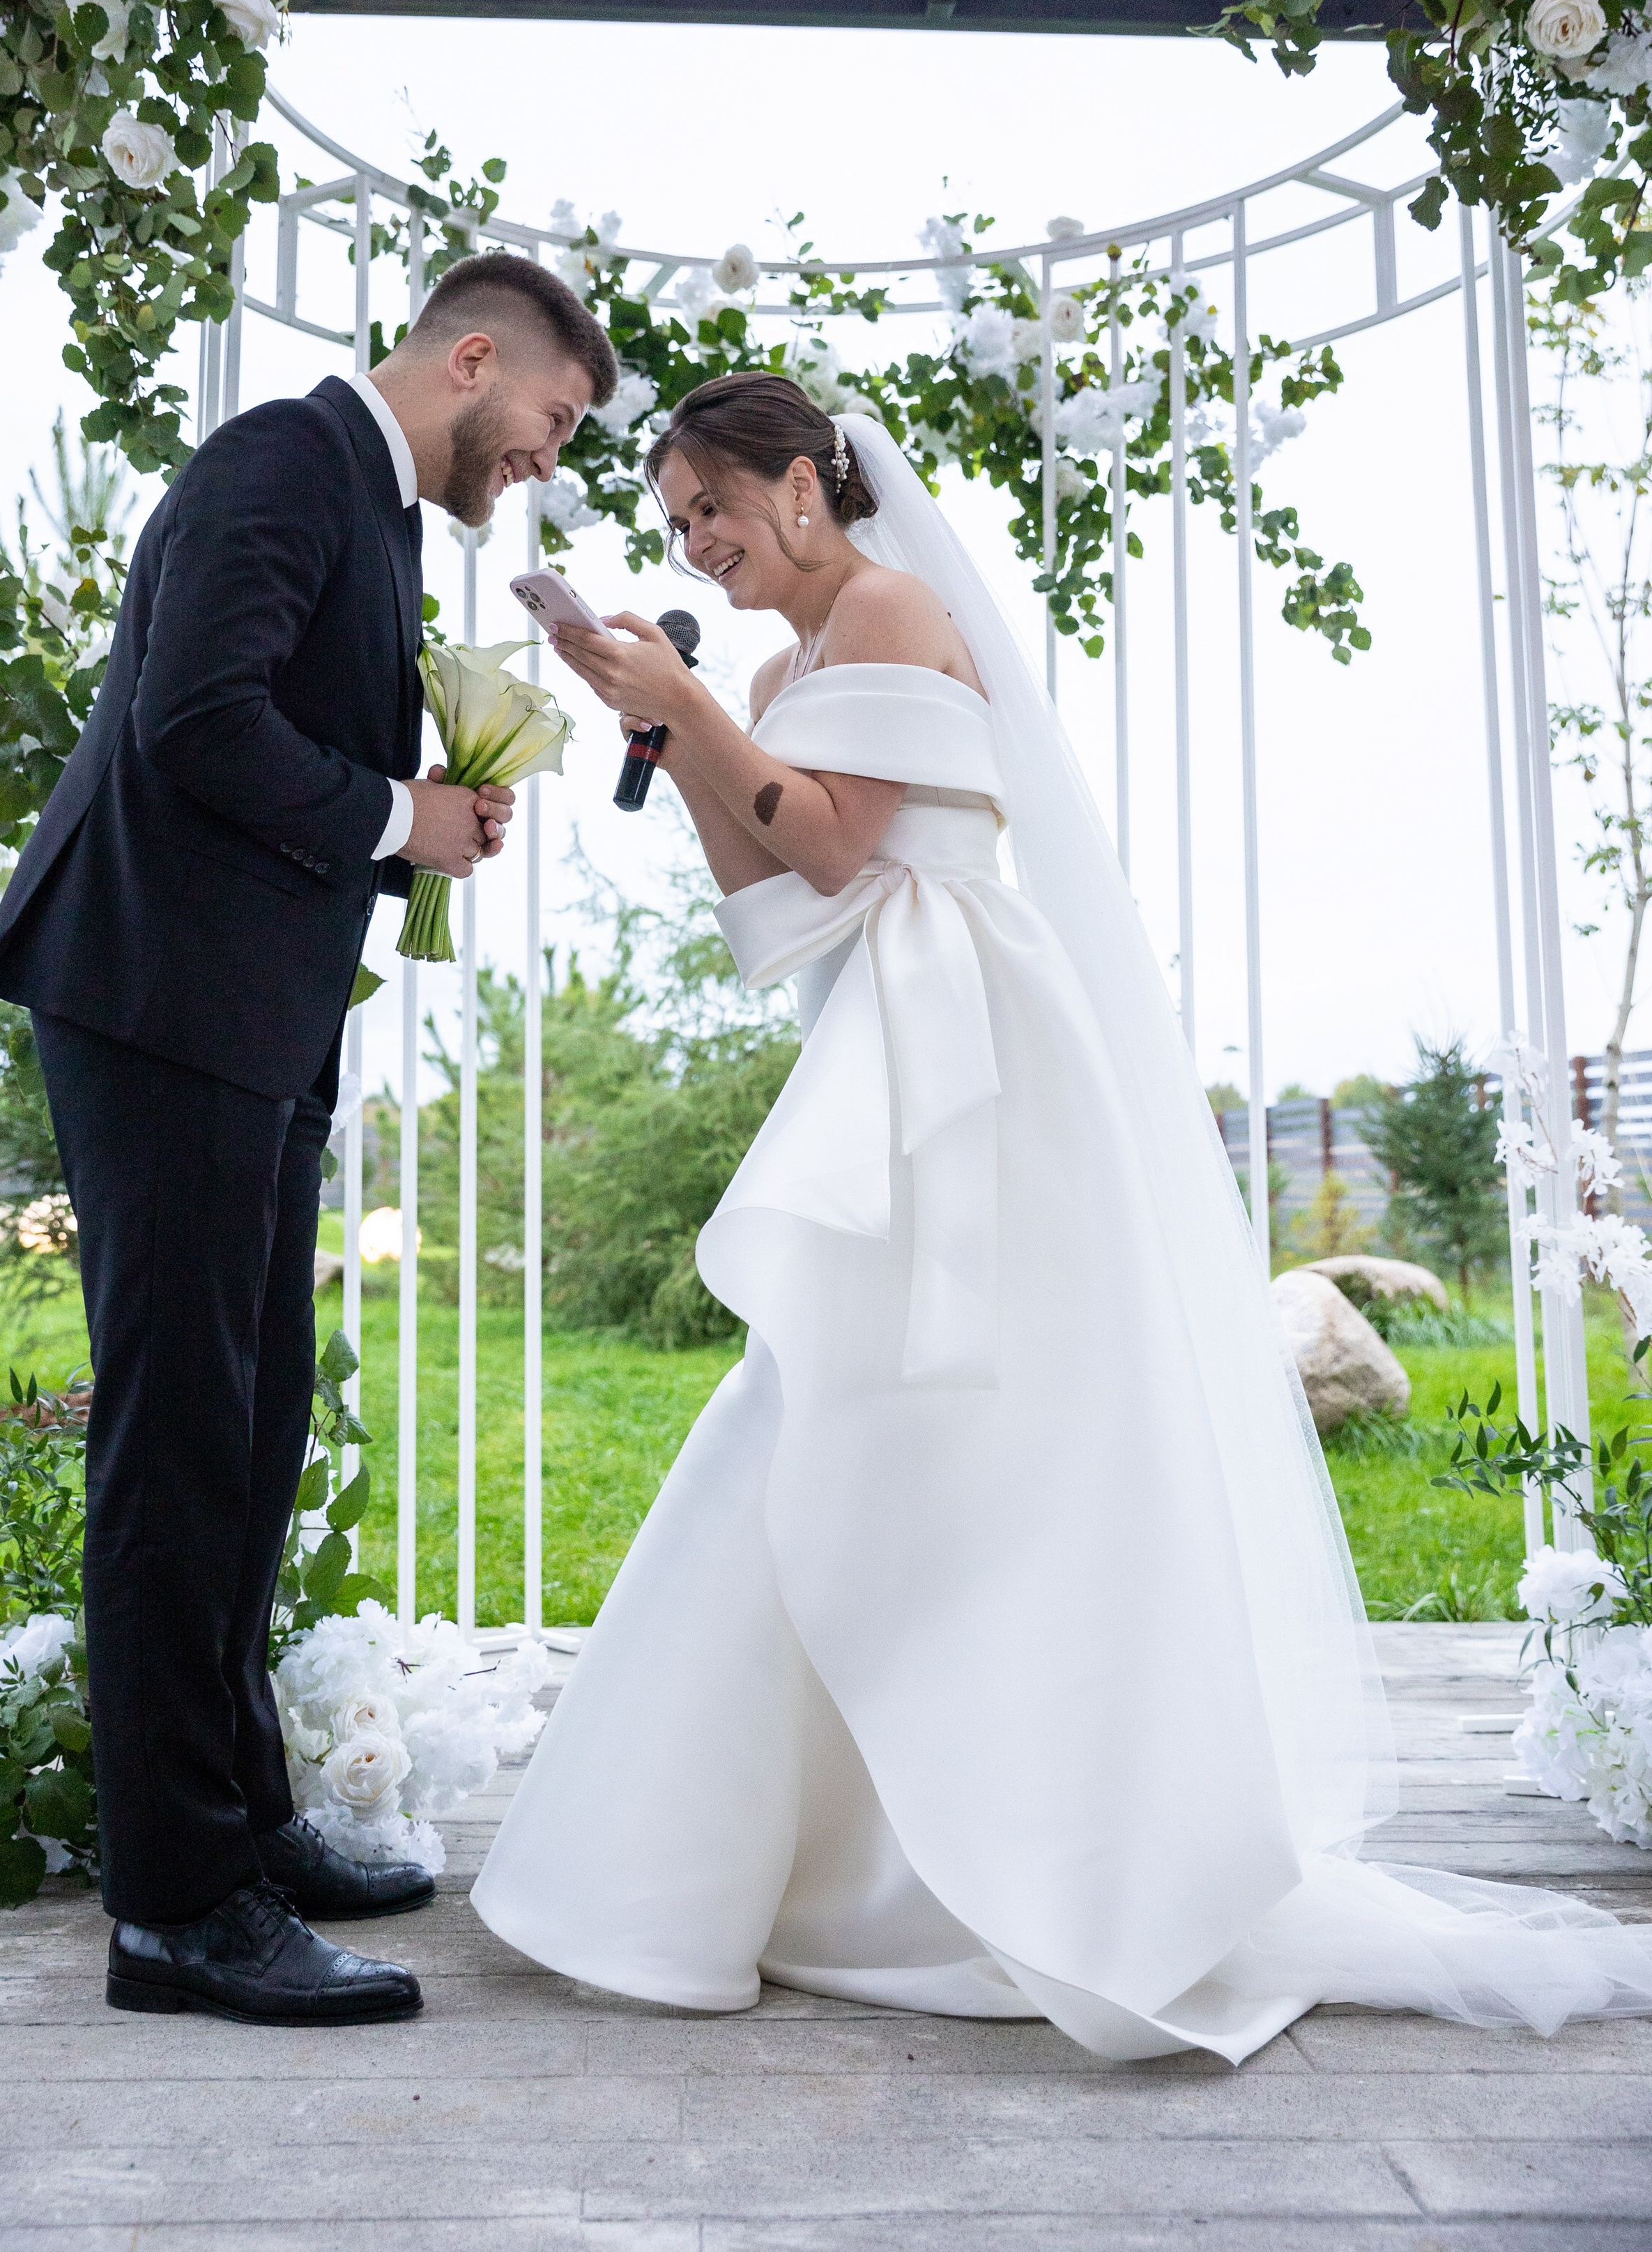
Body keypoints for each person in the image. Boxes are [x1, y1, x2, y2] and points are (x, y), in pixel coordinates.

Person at [473, 370, 1652, 2062]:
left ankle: (1021, 1862)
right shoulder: (771, 676)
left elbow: (841, 841)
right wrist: (655, 721)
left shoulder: (892, 609)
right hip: (872, 1049)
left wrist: (690, 708)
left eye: (708, 510)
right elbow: (780, 910)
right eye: (670, 528)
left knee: (976, 1435)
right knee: (828, 1413)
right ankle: (793, 1863)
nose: (695, 545)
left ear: (801, 486)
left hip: (981, 1074)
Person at [0, 254, 617, 2027]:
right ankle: (177, 1911)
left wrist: (411, 826)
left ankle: (241, 1824)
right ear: (473, 358)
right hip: (159, 998)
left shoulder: (371, 507)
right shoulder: (280, 459)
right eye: (553, 417)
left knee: (250, 1435)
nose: (546, 458)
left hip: (244, 1014)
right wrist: (399, 814)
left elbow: (273, 743)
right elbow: (195, 721)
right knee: (182, 1441)